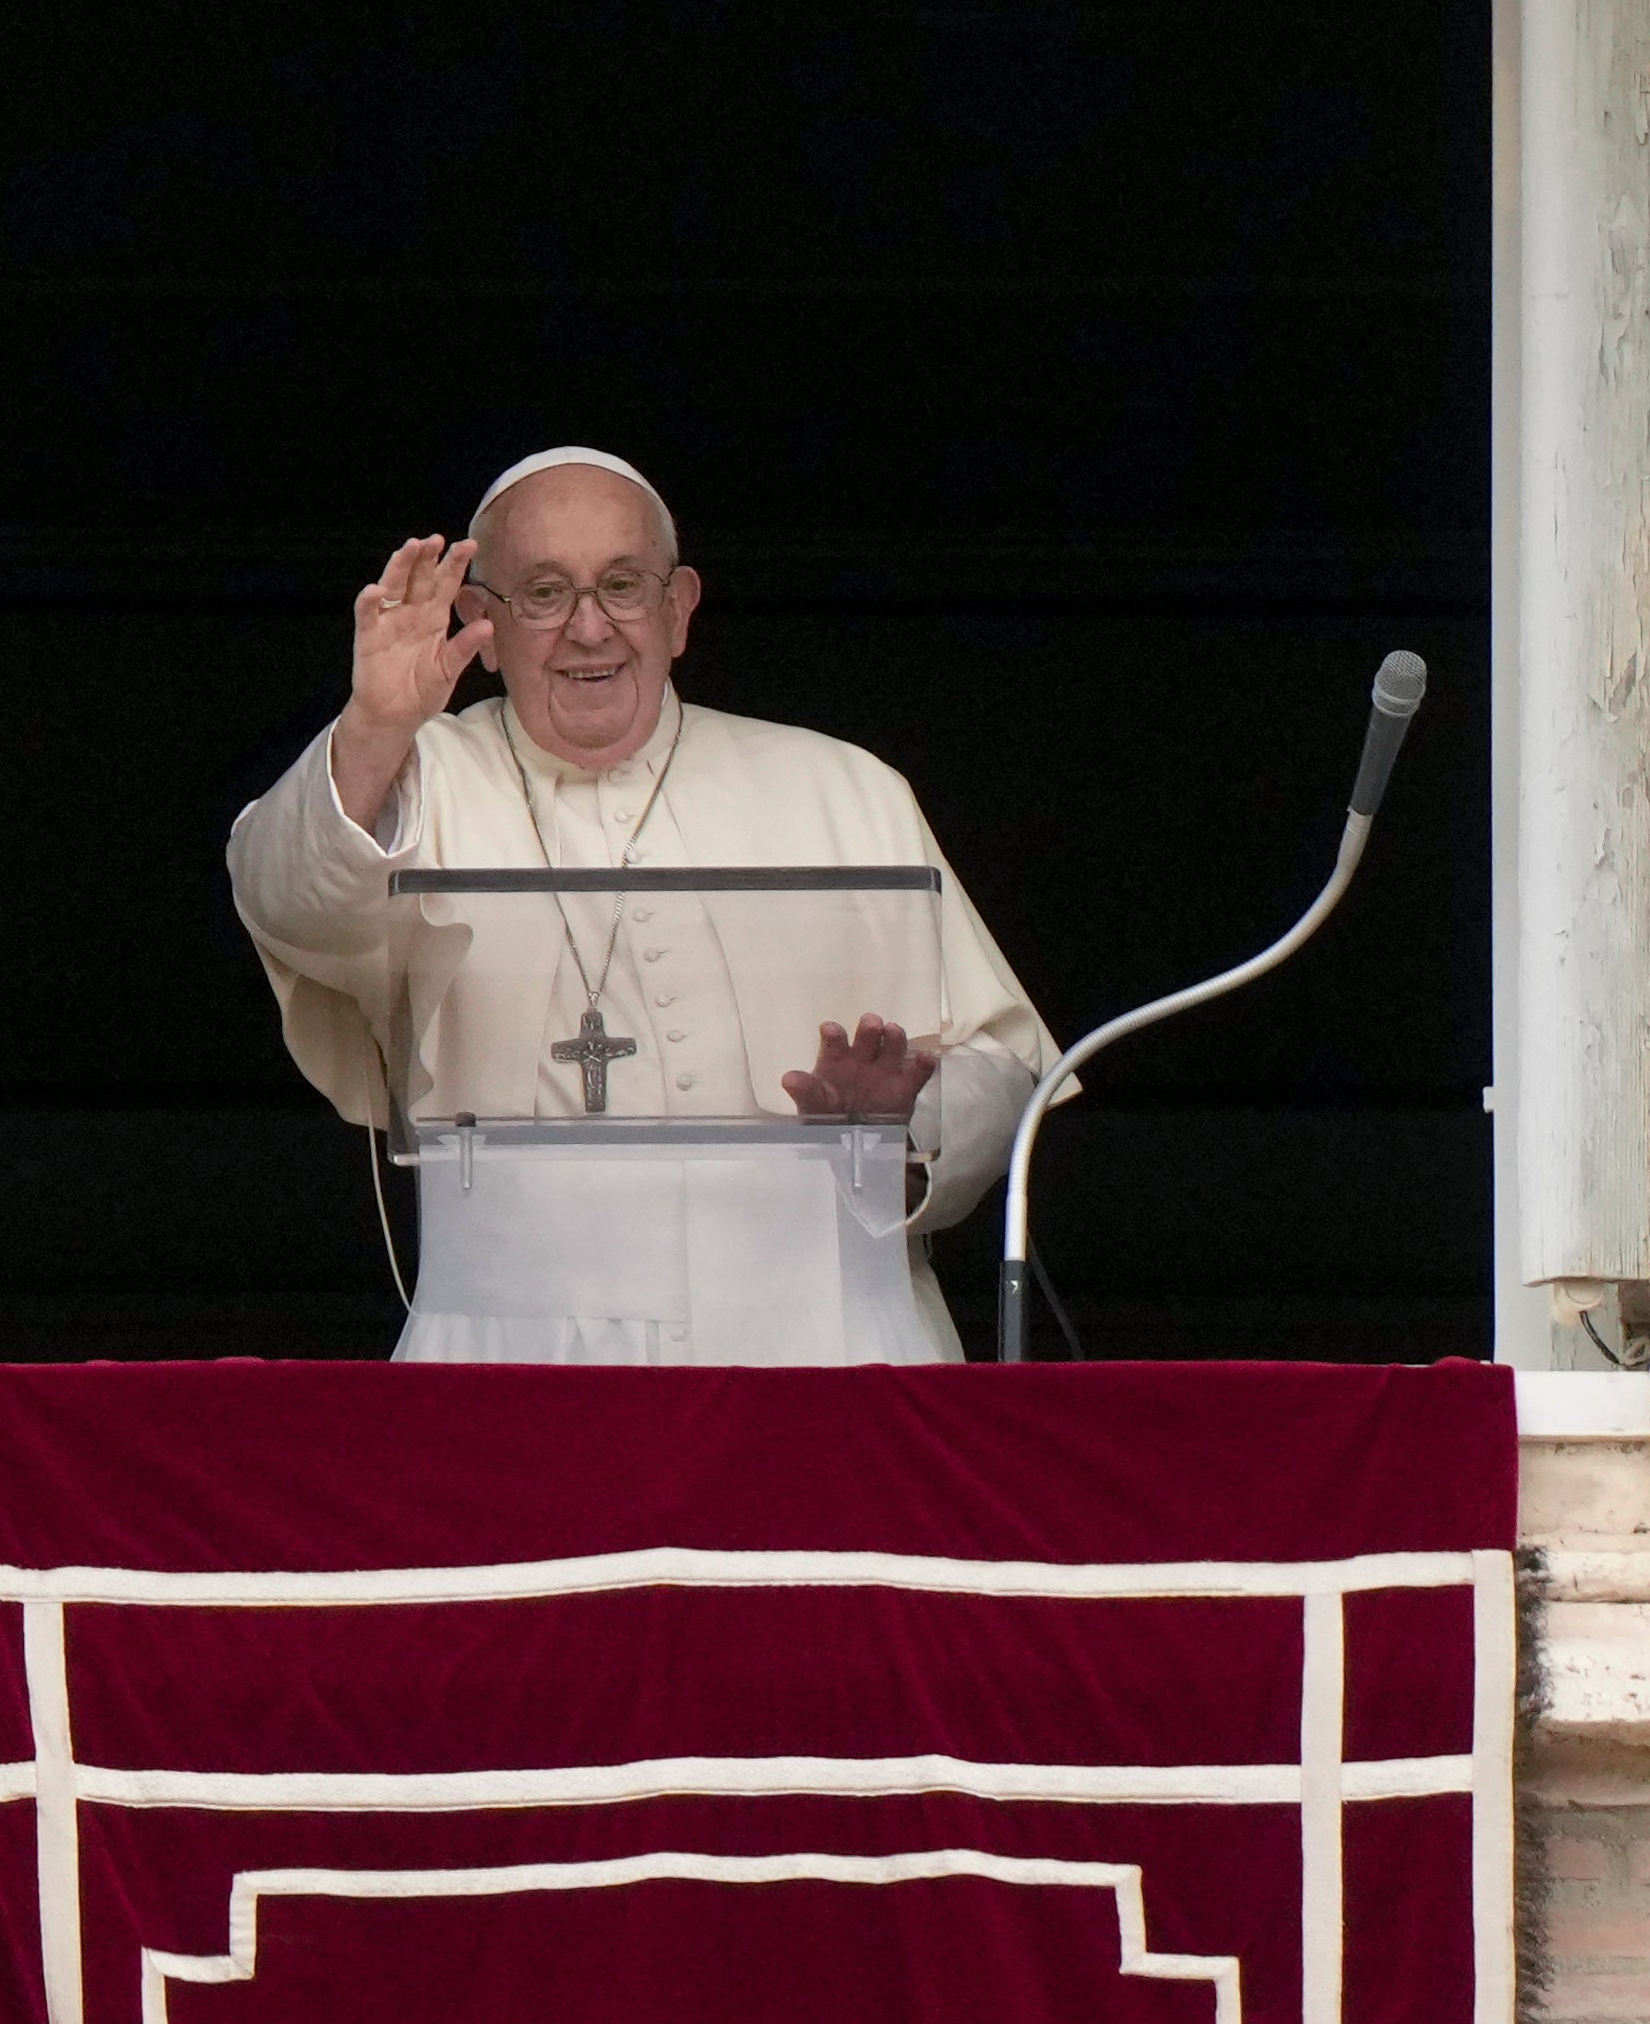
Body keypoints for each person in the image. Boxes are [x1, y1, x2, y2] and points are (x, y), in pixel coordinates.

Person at [227, 446, 1060, 1363]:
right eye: (543, 593)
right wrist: (375, 728)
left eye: (623, 585)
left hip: (829, 1341)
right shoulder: (412, 780)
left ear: (679, 610)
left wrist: (909, 1120)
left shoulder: (844, 786)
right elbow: (286, 899)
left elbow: (1005, 1060)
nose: (589, 629)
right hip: (512, 1351)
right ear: (481, 623)